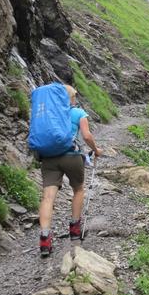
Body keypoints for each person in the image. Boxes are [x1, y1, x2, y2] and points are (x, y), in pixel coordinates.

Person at [38, 85, 102, 256]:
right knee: (78, 189)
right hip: (72, 156)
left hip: (49, 158)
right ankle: (75, 229)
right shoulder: (78, 113)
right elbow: (87, 136)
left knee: (48, 197)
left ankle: (45, 238)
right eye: (74, 95)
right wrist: (96, 150)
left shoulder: (48, 113)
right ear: (71, 97)